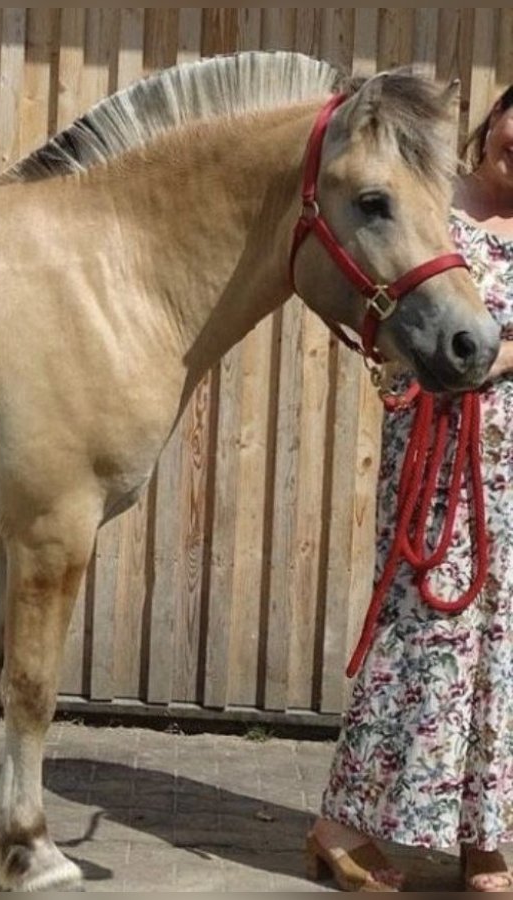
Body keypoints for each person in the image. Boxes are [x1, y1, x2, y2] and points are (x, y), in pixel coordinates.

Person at [307, 84, 513, 893]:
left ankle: (486, 835)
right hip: (441, 449)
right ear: (494, 118)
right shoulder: (432, 201)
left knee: (505, 645)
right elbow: (378, 295)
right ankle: (342, 825)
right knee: (425, 626)